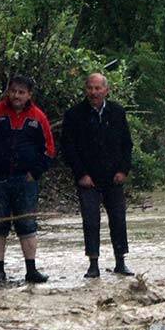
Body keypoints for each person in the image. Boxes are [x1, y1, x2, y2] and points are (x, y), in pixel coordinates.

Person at [61, 73, 133, 278]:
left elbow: (126, 144)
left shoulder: (117, 112)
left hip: (113, 177)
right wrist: (81, 174)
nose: (94, 92)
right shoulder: (74, 114)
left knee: (118, 219)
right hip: (87, 178)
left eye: (98, 88)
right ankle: (93, 263)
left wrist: (123, 171)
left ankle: (121, 261)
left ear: (106, 90)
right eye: (90, 88)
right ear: (86, 90)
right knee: (91, 221)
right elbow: (68, 147)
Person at [0, 75, 54, 284]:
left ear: (29, 95)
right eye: (13, 91)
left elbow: (49, 150)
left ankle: (31, 270)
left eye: (21, 92)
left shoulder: (38, 117)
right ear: (7, 92)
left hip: (26, 181)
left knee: (27, 224)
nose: (16, 96)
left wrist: (34, 173)